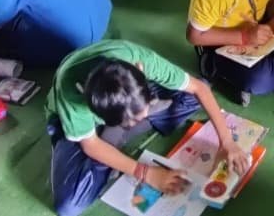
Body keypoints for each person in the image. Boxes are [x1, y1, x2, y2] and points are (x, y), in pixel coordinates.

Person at [46, 40, 253, 216]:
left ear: (140, 71)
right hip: (80, 126)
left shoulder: (138, 59)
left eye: (140, 114)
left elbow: (199, 88)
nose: (137, 118)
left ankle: (117, 135)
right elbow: (90, 145)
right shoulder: (71, 92)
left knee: (194, 94)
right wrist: (146, 173)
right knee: (69, 205)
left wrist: (227, 141)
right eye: (130, 120)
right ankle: (112, 137)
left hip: (124, 106)